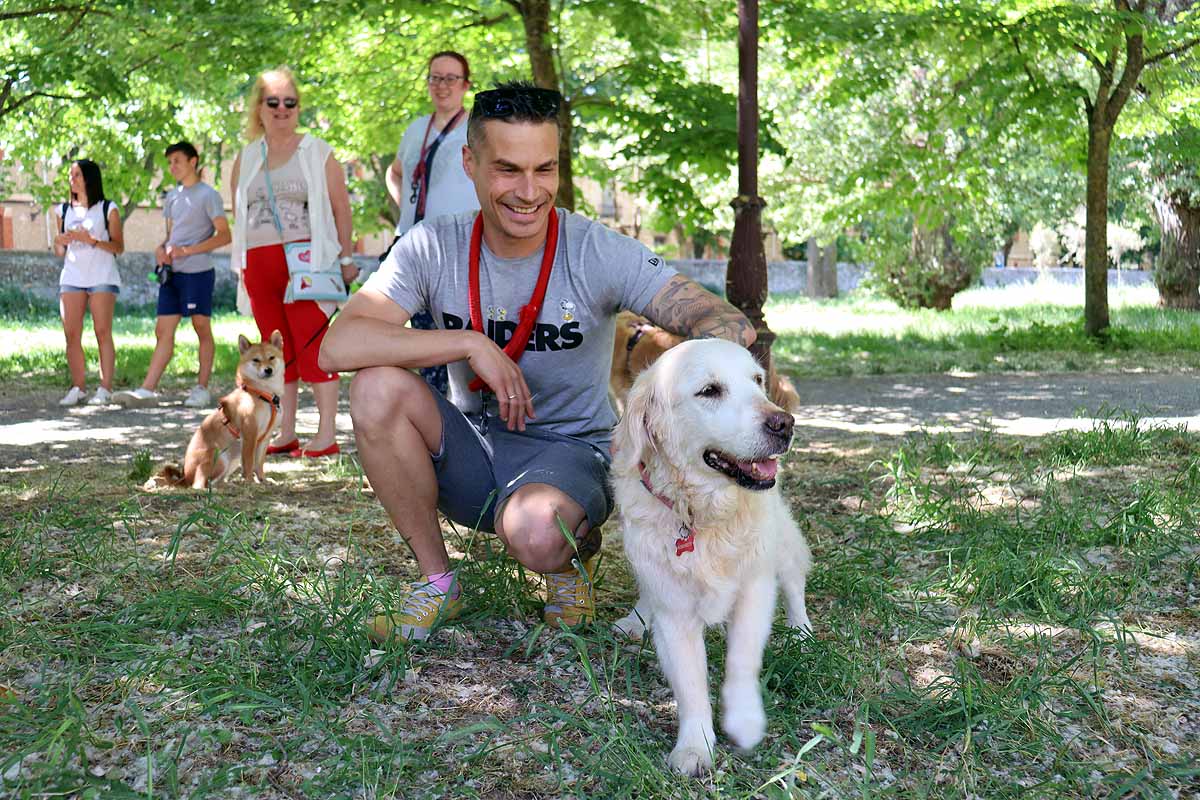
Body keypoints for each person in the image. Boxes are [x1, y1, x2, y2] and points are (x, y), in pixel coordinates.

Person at [319, 81, 755, 643]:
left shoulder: (594, 248)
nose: (529, 192)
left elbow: (723, 323)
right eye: (507, 170)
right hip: (470, 446)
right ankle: (436, 583)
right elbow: (338, 345)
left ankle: (572, 557)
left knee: (535, 534)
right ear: (470, 163)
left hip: (570, 451)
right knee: (376, 387)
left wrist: (705, 399)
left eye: (543, 170)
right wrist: (469, 343)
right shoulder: (433, 244)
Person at [229, 66, 358, 458]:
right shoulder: (246, 157)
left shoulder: (317, 150)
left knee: (311, 342)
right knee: (273, 350)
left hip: (307, 259)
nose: (282, 109)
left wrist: (347, 257)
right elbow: (239, 213)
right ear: (259, 108)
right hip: (258, 261)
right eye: (273, 102)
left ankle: (325, 434)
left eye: (290, 102)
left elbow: (341, 207)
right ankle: (283, 431)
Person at [383, 50, 479, 396]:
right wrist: (407, 212)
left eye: (451, 78)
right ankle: (432, 418)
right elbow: (394, 173)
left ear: (466, 85)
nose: (442, 86)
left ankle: (468, 419)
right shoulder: (414, 130)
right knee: (422, 341)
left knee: (458, 336)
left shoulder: (476, 129)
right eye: (435, 78)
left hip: (460, 249)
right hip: (413, 249)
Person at [114, 142, 231, 409]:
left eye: (177, 160)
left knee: (201, 326)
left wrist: (188, 250)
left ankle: (201, 388)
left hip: (198, 273)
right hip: (171, 275)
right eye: (169, 162)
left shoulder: (208, 195)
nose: (172, 167)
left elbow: (225, 235)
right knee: (162, 330)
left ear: (193, 161)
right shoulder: (172, 197)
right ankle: (147, 390)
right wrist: (160, 250)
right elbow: (170, 237)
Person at [53, 159, 124, 407]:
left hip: (102, 277)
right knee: (71, 334)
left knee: (102, 331)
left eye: (78, 175)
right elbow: (59, 252)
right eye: (71, 175)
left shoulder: (108, 208)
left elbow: (118, 247)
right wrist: (60, 240)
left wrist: (91, 240)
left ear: (90, 178)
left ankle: (105, 388)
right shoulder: (62, 211)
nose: (72, 179)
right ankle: (78, 387)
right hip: (72, 277)